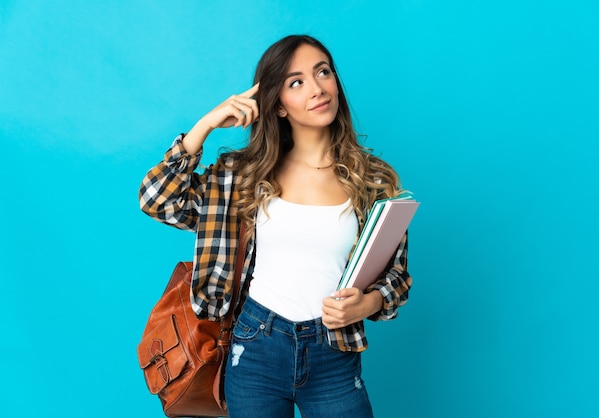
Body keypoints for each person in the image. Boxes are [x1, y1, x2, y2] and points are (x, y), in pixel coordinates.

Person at [139, 34, 412, 418]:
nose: (317, 88)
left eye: (323, 72)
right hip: (255, 346)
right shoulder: (240, 177)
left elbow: (396, 275)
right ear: (279, 105)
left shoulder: (374, 182)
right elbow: (158, 200)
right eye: (295, 82)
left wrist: (368, 303)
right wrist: (205, 126)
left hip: (333, 351)